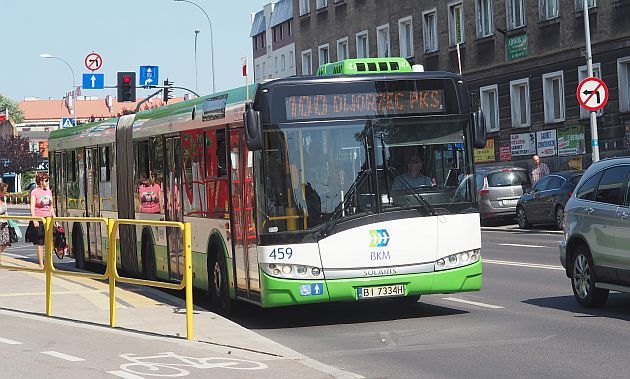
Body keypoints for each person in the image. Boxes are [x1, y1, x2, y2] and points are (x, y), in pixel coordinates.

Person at [25, 172, 57, 269]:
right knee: (40, 242)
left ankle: (49, 262)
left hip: (49, 219)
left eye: (48, 180)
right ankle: (41, 264)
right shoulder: (35, 192)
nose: (47, 182)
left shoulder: (49, 191)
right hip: (39, 219)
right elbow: (32, 207)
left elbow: (51, 207)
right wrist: (34, 219)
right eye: (46, 180)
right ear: (40, 181)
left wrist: (55, 219)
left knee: (50, 241)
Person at [0, 183, 11, 263]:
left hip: (4, 222)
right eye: (4, 191)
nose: (6, 192)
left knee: (5, 243)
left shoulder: (3, 199)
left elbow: (5, 211)